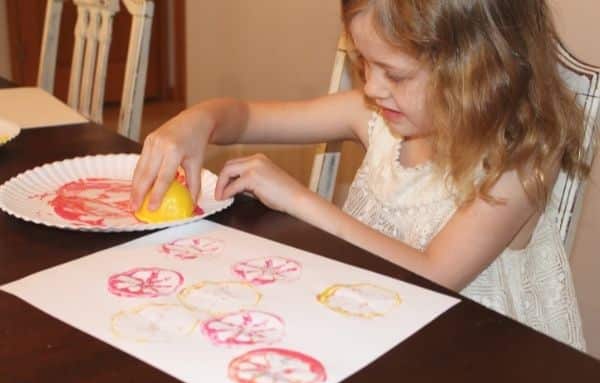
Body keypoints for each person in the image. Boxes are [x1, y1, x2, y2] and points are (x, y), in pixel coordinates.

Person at [130, 0, 590, 350]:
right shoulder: (377, 116)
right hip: (383, 328)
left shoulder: (519, 162)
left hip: (479, 357)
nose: (370, 87)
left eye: (394, 73)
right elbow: (246, 117)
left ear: (476, 70)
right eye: (364, 63)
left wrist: (299, 199)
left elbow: (434, 275)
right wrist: (197, 121)